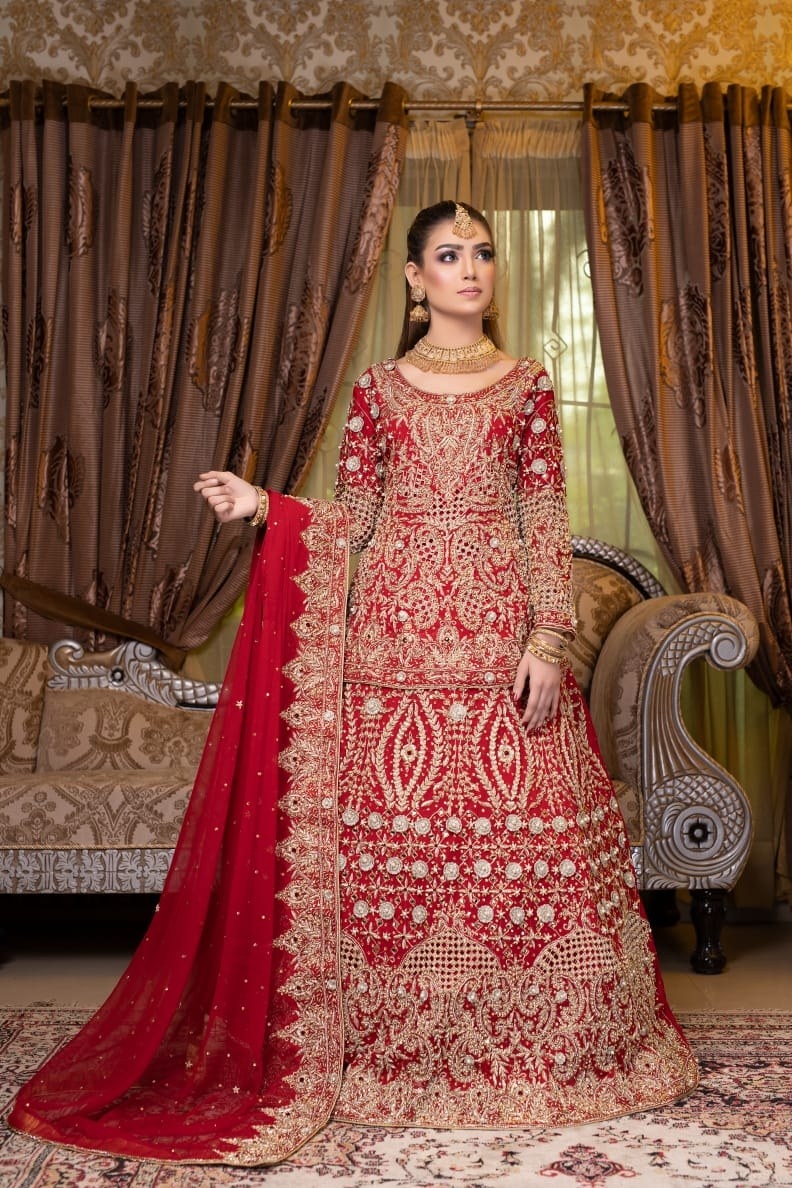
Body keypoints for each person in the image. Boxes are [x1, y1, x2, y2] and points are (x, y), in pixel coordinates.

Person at [10, 201, 698, 1166]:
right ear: (415, 280)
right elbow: (356, 521)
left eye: (482, 253)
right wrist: (266, 507)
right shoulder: (378, 390)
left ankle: (544, 1052)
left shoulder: (527, 386)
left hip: (498, 642)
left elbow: (543, 517)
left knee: (528, 845)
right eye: (448, 255)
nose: (471, 268)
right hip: (390, 648)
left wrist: (549, 639)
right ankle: (385, 1054)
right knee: (389, 853)